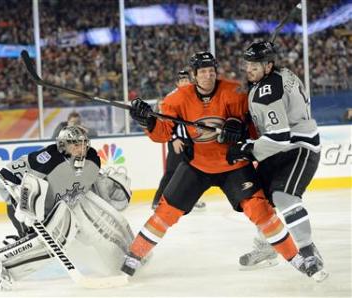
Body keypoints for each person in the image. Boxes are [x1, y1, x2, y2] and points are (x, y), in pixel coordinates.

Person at [121, 51, 322, 281]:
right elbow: (163, 133)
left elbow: (256, 124)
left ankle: (297, 258)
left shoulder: (235, 92)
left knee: (260, 210)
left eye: (211, 70)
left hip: (232, 163)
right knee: (165, 211)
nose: (208, 75)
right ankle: (134, 255)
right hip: (197, 165)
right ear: (194, 75)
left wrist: (240, 127)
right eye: (203, 71)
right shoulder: (176, 99)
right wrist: (148, 121)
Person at [0, 125, 133, 290]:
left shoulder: (92, 159)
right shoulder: (48, 159)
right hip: (30, 209)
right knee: (38, 244)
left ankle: (122, 263)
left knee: (94, 234)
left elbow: (90, 183)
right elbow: (6, 176)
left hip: (61, 209)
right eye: (75, 145)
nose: (82, 149)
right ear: (63, 146)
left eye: (84, 144)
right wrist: (22, 200)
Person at [226, 41, 327, 280]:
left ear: (269, 65)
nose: (249, 69)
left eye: (255, 65)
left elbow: (279, 137)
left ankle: (307, 250)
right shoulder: (281, 74)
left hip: (298, 147)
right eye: (248, 64)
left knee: (284, 197)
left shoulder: (267, 91)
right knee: (259, 198)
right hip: (281, 148)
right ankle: (267, 245)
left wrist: (246, 148)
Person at [151, 70, 205, 210]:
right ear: (177, 83)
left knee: (196, 171)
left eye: (186, 79)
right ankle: (157, 200)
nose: (184, 82)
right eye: (181, 80)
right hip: (177, 140)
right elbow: (165, 122)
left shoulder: (195, 97)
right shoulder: (170, 98)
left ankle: (191, 200)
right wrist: (173, 138)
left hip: (192, 141)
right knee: (171, 171)